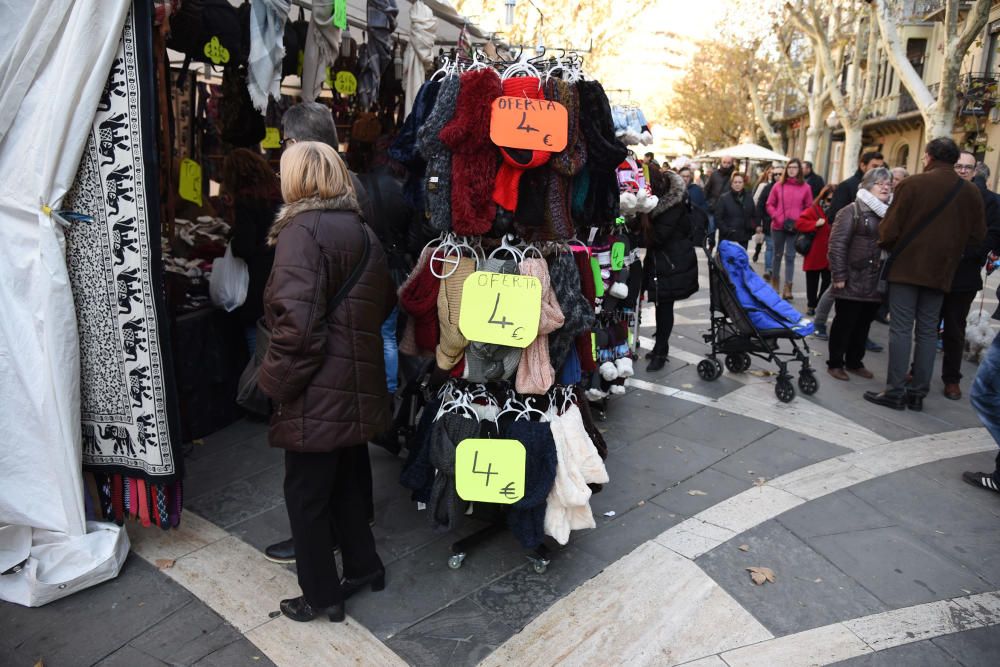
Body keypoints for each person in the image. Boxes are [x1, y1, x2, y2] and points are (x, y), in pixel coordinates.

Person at [259, 141, 394, 623]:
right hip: (356, 382)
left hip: (316, 388)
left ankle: (320, 595)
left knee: (307, 496)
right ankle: (363, 566)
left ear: (297, 179)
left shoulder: (301, 232)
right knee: (343, 488)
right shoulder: (363, 232)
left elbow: (297, 328)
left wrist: (270, 384)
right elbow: (383, 304)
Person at [864, 138, 986, 411]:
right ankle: (918, 392)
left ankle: (895, 390)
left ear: (929, 156)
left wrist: (892, 244)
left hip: (907, 268)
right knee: (929, 331)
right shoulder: (970, 192)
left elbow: (889, 230)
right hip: (942, 271)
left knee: (901, 329)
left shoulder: (912, 184)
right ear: (953, 161)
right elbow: (978, 235)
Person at [939, 151, 1000, 400]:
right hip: (933, 271)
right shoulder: (940, 193)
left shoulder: (989, 200)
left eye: (968, 167)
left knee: (955, 329)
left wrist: (966, 253)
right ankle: (915, 371)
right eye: (958, 166)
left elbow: (993, 233)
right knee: (926, 326)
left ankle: (952, 379)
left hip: (964, 275)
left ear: (975, 171)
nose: (962, 170)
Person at [825, 168, 892, 381]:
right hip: (853, 276)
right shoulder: (851, 211)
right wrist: (839, 275)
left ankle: (855, 361)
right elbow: (837, 245)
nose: (885, 186)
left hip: (876, 279)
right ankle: (835, 362)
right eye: (879, 183)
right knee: (845, 322)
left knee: (863, 324)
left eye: (888, 183)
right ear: (867, 186)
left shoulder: (890, 213)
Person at [223, 149, 282, 355]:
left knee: (256, 348)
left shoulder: (246, 200)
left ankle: (257, 387)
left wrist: (232, 238)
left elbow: (245, 247)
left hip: (256, 283)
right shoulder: (277, 195)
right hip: (281, 274)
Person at [643, 169, 699, 372]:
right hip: (666, 261)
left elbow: (658, 237)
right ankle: (659, 347)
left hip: (671, 263)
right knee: (662, 306)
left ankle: (661, 352)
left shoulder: (671, 207)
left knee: (665, 307)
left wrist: (642, 223)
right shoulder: (667, 203)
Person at [766, 158, 813, 298]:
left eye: (795, 167)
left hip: (794, 227)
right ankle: (775, 284)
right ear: (786, 169)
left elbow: (809, 207)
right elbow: (769, 204)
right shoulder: (777, 186)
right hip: (778, 226)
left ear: (799, 170)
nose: (792, 170)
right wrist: (777, 216)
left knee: (791, 257)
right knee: (777, 255)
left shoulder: (806, 188)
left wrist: (800, 220)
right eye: (790, 167)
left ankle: (788, 287)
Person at [795, 183, 835, 315]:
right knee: (812, 280)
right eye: (829, 199)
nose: (831, 203)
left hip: (830, 253)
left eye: (834, 200)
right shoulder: (814, 210)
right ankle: (811, 304)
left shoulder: (839, 211)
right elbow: (800, 223)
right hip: (815, 252)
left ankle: (819, 304)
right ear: (823, 198)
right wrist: (814, 224)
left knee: (827, 281)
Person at [829, 151, 885, 219]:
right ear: (863, 166)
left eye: (881, 167)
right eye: (875, 166)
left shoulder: (881, 187)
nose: (878, 170)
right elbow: (835, 216)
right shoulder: (845, 186)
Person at [714, 172, 757, 248]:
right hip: (727, 237)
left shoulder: (749, 198)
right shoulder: (724, 198)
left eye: (740, 182)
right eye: (735, 182)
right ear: (732, 184)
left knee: (740, 258)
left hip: (743, 237)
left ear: (743, 184)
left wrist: (751, 228)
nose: (737, 184)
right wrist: (726, 231)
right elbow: (718, 218)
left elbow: (753, 214)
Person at [754, 165, 781, 275]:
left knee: (777, 248)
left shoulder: (788, 188)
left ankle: (773, 269)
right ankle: (769, 269)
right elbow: (760, 205)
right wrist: (758, 222)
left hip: (782, 224)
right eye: (776, 174)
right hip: (768, 222)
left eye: (780, 174)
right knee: (770, 246)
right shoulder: (767, 188)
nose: (778, 176)